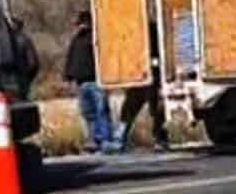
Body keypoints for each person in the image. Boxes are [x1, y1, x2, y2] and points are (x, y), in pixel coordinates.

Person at [62, 10, 118, 154]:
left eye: (82, 23)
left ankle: (106, 140)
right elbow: (71, 58)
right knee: (88, 113)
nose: (80, 26)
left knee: (101, 111)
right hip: (81, 82)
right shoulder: (76, 40)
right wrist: (68, 75)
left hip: (96, 80)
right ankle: (94, 140)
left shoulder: (96, 38)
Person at [114, 36, 171, 151]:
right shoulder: (138, 37)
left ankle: (121, 138)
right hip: (143, 78)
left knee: (152, 110)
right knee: (137, 109)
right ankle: (121, 137)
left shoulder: (142, 35)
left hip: (147, 78)